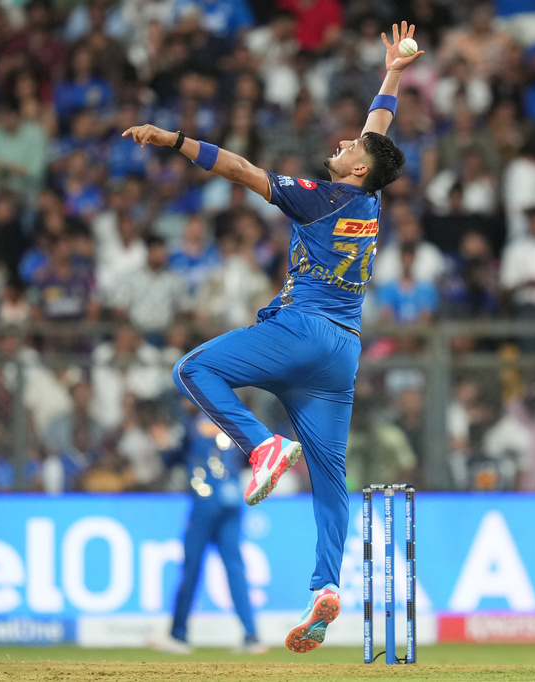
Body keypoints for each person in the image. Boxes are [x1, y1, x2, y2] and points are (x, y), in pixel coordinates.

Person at [123, 21, 423, 654]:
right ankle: (324, 589)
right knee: (330, 477)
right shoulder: (368, 203)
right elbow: (378, 128)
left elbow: (238, 168)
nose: (343, 143)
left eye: (350, 145)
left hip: (302, 331)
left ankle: (261, 448)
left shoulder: (321, 198)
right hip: (343, 352)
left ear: (358, 168)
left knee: (191, 370)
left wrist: (170, 137)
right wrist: (394, 71)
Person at [148, 404, 266, 655]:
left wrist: (161, 445)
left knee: (191, 566)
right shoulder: (232, 420)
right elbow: (250, 457)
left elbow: (174, 459)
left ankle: (178, 634)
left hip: (205, 502)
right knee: (234, 567)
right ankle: (251, 635)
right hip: (233, 499)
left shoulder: (192, 425)